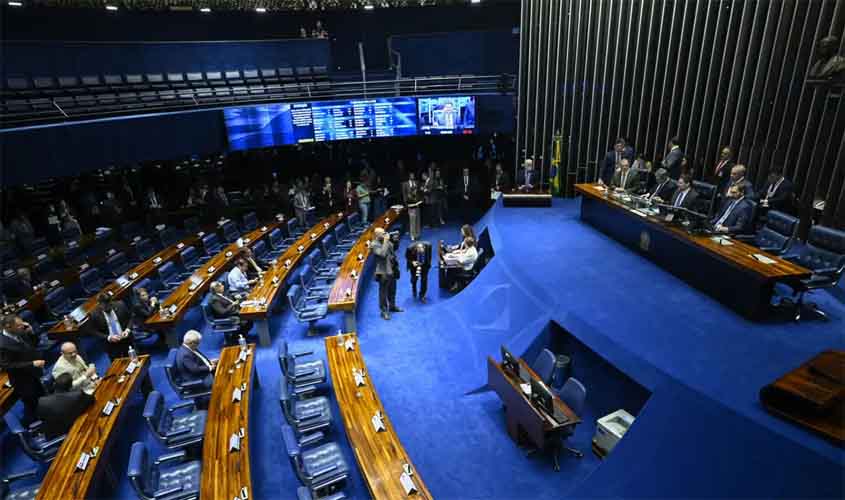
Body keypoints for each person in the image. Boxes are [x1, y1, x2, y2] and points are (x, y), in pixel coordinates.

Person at [0, 314, 45, 424]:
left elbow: (33, 345)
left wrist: (31, 332)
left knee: (42, 397)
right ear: (8, 327)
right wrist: (31, 364)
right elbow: (7, 366)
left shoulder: (20, 332)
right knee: (34, 404)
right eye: (19, 325)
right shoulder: (2, 344)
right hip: (22, 381)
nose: (23, 326)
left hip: (34, 373)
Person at [36, 372, 95, 440]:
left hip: (51, 434)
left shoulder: (42, 401)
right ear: (71, 387)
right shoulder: (77, 395)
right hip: (68, 435)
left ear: (55, 385)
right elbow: (92, 399)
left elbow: (41, 418)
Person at [87, 293, 135, 360]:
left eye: (110, 306)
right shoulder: (93, 314)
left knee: (132, 360)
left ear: (111, 302)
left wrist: (127, 330)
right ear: (99, 305)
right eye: (105, 307)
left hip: (126, 339)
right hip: (111, 345)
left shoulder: (120, 305)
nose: (108, 309)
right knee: (117, 363)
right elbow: (93, 331)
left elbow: (131, 318)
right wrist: (108, 337)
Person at [372, 228, 401, 320]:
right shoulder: (374, 244)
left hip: (392, 269)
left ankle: (392, 306)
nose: (385, 234)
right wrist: (386, 241)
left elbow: (394, 249)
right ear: (377, 235)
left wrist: (396, 241)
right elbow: (383, 254)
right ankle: (384, 311)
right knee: (383, 293)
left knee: (392, 290)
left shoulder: (386, 241)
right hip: (383, 272)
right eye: (382, 233)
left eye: (385, 233)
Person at [402, 172, 423, 241]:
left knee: (418, 220)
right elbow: (404, 195)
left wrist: (420, 200)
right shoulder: (405, 184)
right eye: (411, 175)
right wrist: (406, 204)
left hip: (417, 204)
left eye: (413, 175)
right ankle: (412, 235)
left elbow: (419, 192)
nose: (412, 176)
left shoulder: (417, 182)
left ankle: (417, 234)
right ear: (409, 176)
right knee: (412, 220)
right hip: (410, 205)